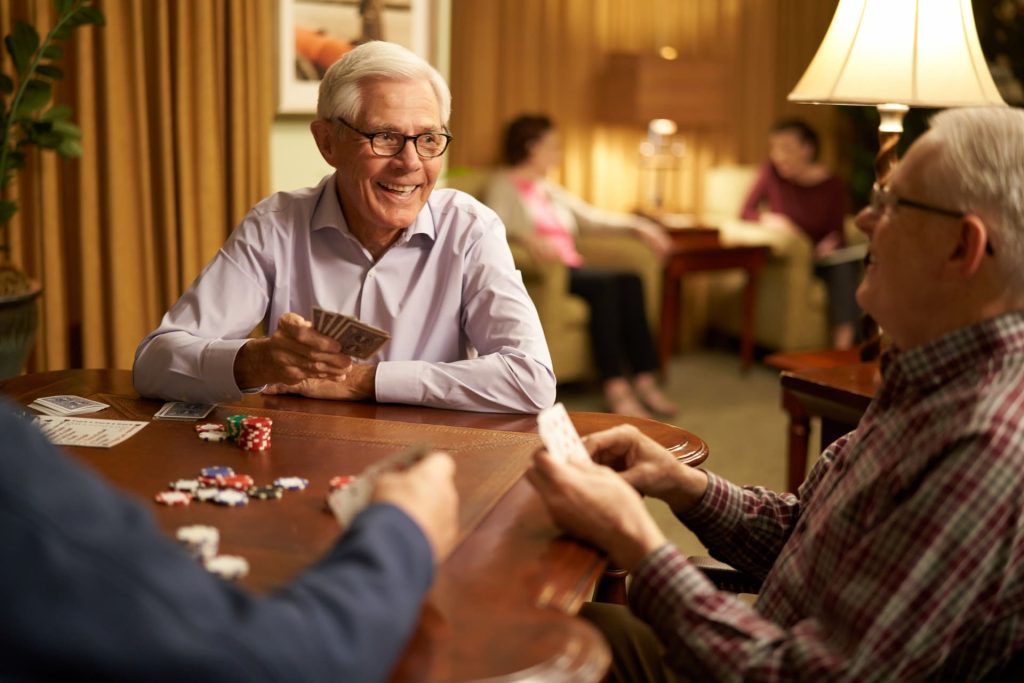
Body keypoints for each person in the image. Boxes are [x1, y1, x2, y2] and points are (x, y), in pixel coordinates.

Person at [528, 106, 1024, 680]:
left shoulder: (983, 442)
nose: (864, 218)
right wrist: (680, 483)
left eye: (893, 205)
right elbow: (806, 537)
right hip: (758, 644)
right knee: (549, 626)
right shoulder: (929, 375)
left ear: (963, 247)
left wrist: (641, 545)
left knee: (537, 651)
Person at [133, 42, 555, 414]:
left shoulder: (471, 230)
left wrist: (363, 380)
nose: (410, 163)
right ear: (327, 143)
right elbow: (154, 363)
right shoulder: (276, 224)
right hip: (299, 465)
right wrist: (255, 361)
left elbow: (531, 379)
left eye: (428, 139)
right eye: (385, 136)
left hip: (426, 470)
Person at [0, 403, 458, 680]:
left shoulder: (471, 241)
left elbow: (527, 371)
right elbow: (275, 667)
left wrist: (366, 380)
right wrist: (404, 530)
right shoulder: (270, 238)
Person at [483, 114, 676, 419]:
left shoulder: (547, 188)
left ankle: (644, 377)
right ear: (532, 148)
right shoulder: (503, 183)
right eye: (553, 146)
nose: (558, 153)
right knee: (606, 287)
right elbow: (490, 224)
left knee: (630, 280)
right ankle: (614, 386)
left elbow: (591, 217)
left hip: (573, 266)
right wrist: (524, 236)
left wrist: (640, 227)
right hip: (547, 273)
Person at [741, 119, 860, 350]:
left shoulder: (832, 184)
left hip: (822, 259)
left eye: (786, 148)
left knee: (844, 267)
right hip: (793, 257)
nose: (778, 156)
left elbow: (838, 233)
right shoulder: (771, 173)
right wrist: (770, 219)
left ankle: (842, 350)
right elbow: (746, 211)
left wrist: (829, 246)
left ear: (808, 150)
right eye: (774, 148)